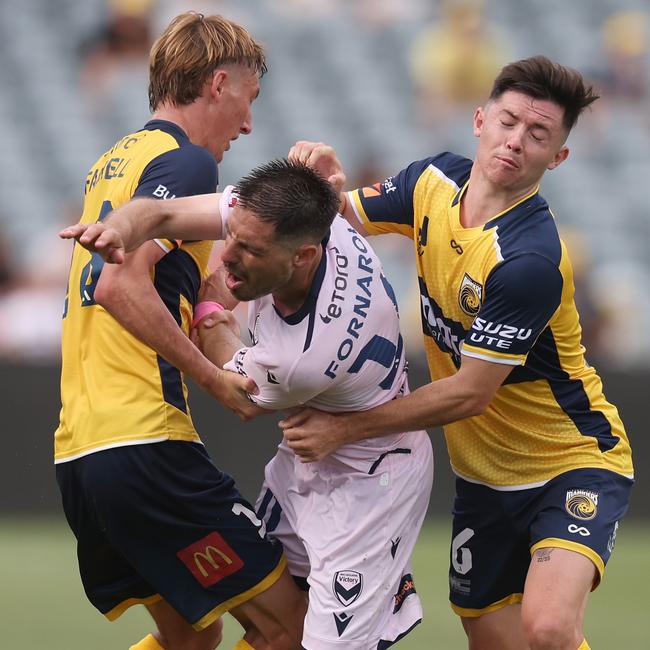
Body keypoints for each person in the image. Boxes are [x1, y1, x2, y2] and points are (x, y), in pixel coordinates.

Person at [283, 56, 634, 650]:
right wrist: (320, 184)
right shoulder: (432, 183)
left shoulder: (530, 260)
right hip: (482, 478)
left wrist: (345, 429)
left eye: (539, 134)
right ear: (479, 120)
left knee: (548, 630)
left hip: (571, 460)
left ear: (560, 157)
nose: (517, 140)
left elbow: (471, 393)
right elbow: (337, 221)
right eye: (509, 121)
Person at [60, 158, 434, 650]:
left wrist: (212, 304)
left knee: (311, 641)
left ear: (302, 257)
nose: (227, 253)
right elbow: (160, 213)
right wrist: (116, 229)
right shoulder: (305, 217)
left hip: (372, 482)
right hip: (308, 457)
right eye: (230, 235)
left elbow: (235, 388)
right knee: (275, 629)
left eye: (248, 249)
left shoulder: (304, 355)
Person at [55, 12, 306, 650]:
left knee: (191, 639)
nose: (248, 124)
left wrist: (208, 300)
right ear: (219, 84)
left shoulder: (113, 162)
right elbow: (119, 287)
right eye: (247, 101)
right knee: (292, 626)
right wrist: (215, 380)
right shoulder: (185, 163)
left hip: (81, 451)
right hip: (145, 442)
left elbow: (139, 283)